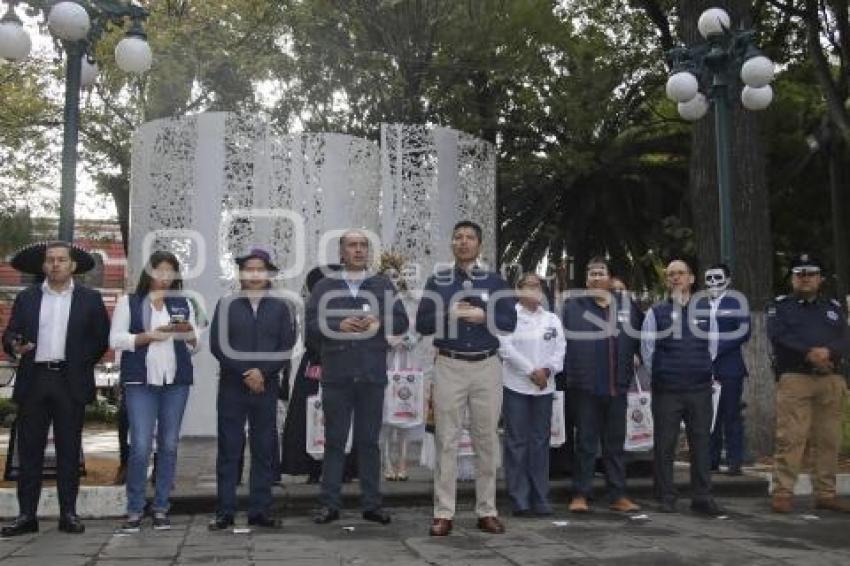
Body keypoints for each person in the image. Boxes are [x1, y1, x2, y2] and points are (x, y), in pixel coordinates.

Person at [416, 220, 517, 536]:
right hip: (450, 364)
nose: (463, 242)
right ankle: (443, 512)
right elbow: (421, 324)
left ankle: (487, 510)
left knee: (486, 440)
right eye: (457, 237)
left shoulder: (496, 282)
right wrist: (449, 313)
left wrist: (483, 316)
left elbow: (510, 322)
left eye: (469, 237)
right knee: (446, 439)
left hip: (487, 366)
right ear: (452, 244)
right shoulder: (438, 282)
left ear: (479, 244)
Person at [1, 241, 109, 536]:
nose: (56, 264)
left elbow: (101, 338)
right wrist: (15, 344)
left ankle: (69, 514)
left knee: (69, 451)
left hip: (69, 381)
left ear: (73, 266)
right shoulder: (28, 297)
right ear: (44, 265)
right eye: (50, 260)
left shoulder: (89, 299)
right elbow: (10, 333)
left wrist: (79, 362)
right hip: (34, 378)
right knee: (30, 450)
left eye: (62, 260)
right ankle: (26, 516)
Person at [307, 231, 409, 525]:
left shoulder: (382, 284)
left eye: (363, 245)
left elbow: (401, 320)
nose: (359, 250)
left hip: (371, 375)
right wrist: (338, 324)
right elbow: (311, 326)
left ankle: (372, 504)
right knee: (335, 442)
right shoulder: (325, 286)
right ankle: (329, 504)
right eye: (352, 245)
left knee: (368, 442)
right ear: (341, 252)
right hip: (337, 375)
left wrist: (379, 322)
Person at [110, 251, 200, 533]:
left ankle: (161, 507)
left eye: (169, 271)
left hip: (175, 382)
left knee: (169, 445)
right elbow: (115, 339)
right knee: (139, 446)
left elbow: (195, 345)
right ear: (148, 273)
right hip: (140, 382)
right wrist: (148, 336)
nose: (164, 276)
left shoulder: (183, 302)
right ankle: (135, 508)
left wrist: (187, 332)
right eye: (158, 270)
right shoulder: (130, 302)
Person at [208, 248, 296, 530]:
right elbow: (218, 345)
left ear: (269, 273)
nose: (255, 274)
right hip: (233, 386)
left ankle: (260, 510)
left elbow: (286, 346)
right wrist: (246, 371)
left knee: (264, 449)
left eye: (260, 269)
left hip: (266, 388)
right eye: (249, 269)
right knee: (229, 449)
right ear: (241, 273)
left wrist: (263, 372)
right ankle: (225, 511)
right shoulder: (227, 304)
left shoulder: (281, 307)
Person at [767, 253, 850, 514]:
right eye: (799, 274)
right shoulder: (781, 306)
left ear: (820, 279)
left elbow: (845, 337)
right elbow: (778, 335)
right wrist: (809, 352)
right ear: (792, 278)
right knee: (791, 438)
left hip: (830, 378)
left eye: (811, 274)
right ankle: (783, 493)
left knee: (828, 439)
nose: (805, 278)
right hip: (795, 377)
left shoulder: (834, 307)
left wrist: (829, 353)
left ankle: (826, 493)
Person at [641, 258, 724, 516]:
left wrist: (697, 370)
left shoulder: (706, 312)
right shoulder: (655, 313)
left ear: (690, 279)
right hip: (667, 390)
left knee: (701, 443)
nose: (676, 278)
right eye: (671, 275)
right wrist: (665, 375)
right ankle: (666, 496)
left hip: (699, 389)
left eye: (681, 273)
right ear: (667, 281)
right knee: (664, 445)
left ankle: (702, 496)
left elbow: (712, 349)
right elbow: (648, 351)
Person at [563, 257, 643, 514]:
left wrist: (637, 355)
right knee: (585, 443)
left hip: (617, 387)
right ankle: (580, 494)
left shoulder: (627, 306)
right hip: (585, 388)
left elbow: (641, 337)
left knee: (615, 444)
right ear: (586, 280)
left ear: (610, 278)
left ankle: (618, 494)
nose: (596, 277)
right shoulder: (573, 307)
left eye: (601, 273)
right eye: (592, 274)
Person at [498, 273, 564, 517]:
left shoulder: (552, 319)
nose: (535, 291)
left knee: (540, 442)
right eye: (530, 286)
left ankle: (540, 497)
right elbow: (505, 348)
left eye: (539, 287)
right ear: (518, 290)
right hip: (516, 386)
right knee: (516, 442)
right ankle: (519, 498)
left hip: (544, 388)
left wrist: (547, 370)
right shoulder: (508, 316)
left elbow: (560, 350)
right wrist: (531, 371)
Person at [280, 265, 342, 484]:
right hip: (315, 364)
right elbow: (309, 338)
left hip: (342, 364)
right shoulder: (310, 308)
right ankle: (311, 466)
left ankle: (341, 467)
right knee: (309, 415)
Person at [703, 264, 751, 476]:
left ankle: (734, 461)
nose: (713, 282)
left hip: (730, 367)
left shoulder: (737, 303)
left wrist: (716, 348)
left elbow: (743, 332)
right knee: (709, 416)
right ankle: (711, 460)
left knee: (731, 415)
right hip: (704, 368)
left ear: (728, 280)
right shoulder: (699, 304)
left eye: (718, 277)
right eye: (709, 278)